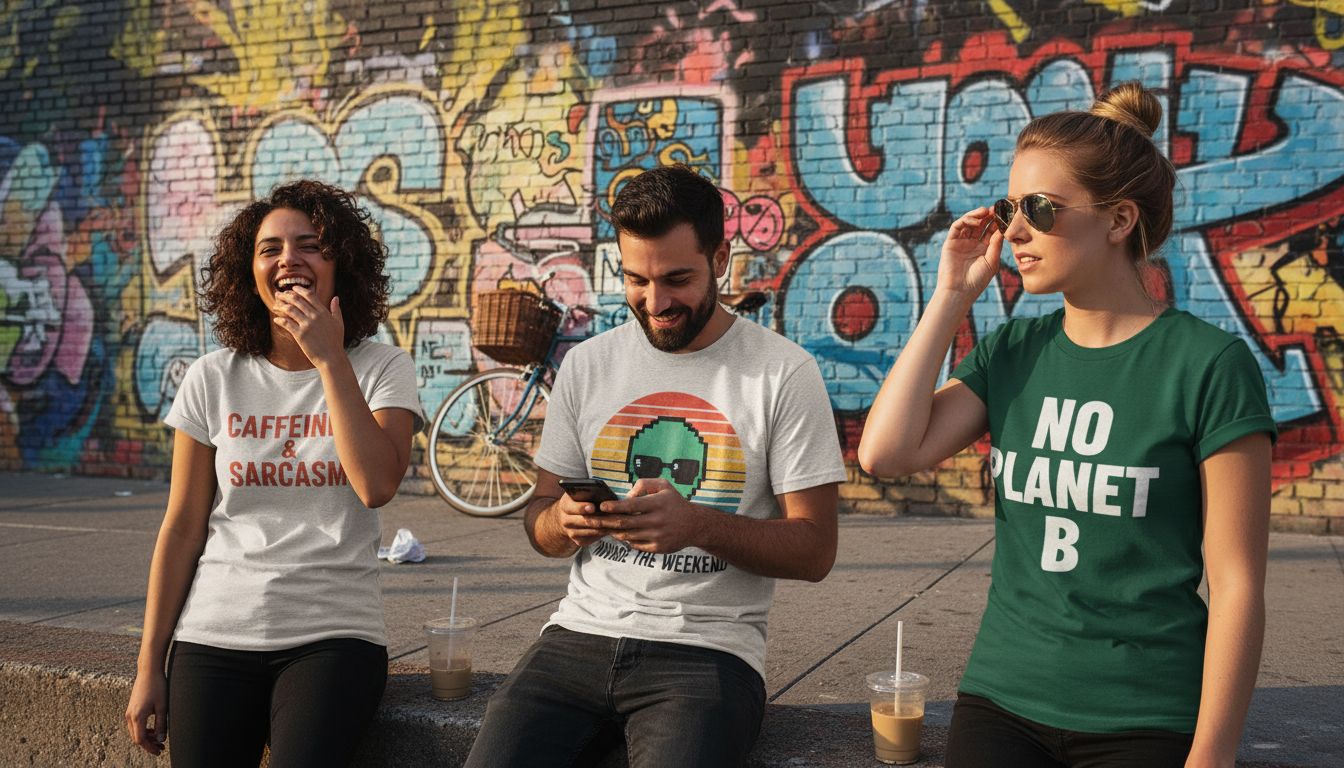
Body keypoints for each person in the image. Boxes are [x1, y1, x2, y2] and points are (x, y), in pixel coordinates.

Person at [857, 82, 1275, 767]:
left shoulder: (1208, 365)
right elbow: (886, 452)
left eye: (1041, 209)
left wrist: (1212, 756)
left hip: (1146, 712)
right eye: (1008, 207)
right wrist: (952, 296)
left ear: (1118, 221)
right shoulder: (1015, 352)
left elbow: (1237, 586)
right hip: (1001, 700)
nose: (1014, 230)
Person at [463, 163, 847, 768]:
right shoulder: (588, 365)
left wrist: (696, 525)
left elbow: (815, 550)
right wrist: (565, 522)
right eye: (636, 280)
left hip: (708, 652)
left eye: (677, 279)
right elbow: (538, 523)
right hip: (576, 638)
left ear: (720, 258)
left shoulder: (783, 372)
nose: (655, 302)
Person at [124, 180, 424, 767]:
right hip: (214, 632)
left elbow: (376, 484)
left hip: (334, 634)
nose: (289, 258)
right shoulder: (213, 376)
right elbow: (182, 527)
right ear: (249, 272)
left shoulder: (383, 366)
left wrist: (329, 358)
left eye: (310, 245)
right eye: (270, 249)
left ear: (343, 265)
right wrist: (148, 667)